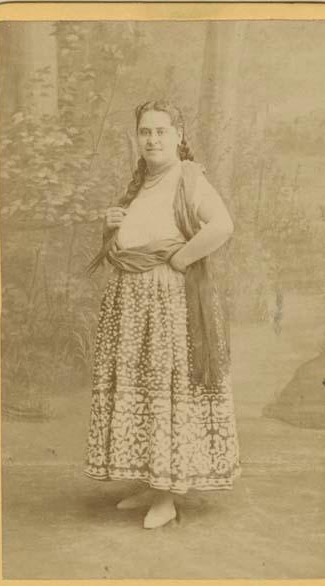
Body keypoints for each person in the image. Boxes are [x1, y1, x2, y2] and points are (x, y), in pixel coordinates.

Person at [84, 99, 241, 529]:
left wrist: (181, 260)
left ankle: (168, 496)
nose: (152, 139)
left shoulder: (188, 177)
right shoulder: (142, 182)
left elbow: (221, 226)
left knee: (164, 391)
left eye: (160, 131)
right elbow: (135, 241)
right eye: (145, 131)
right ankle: (152, 483)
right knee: (142, 393)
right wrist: (112, 225)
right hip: (132, 306)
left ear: (178, 136)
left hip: (166, 303)